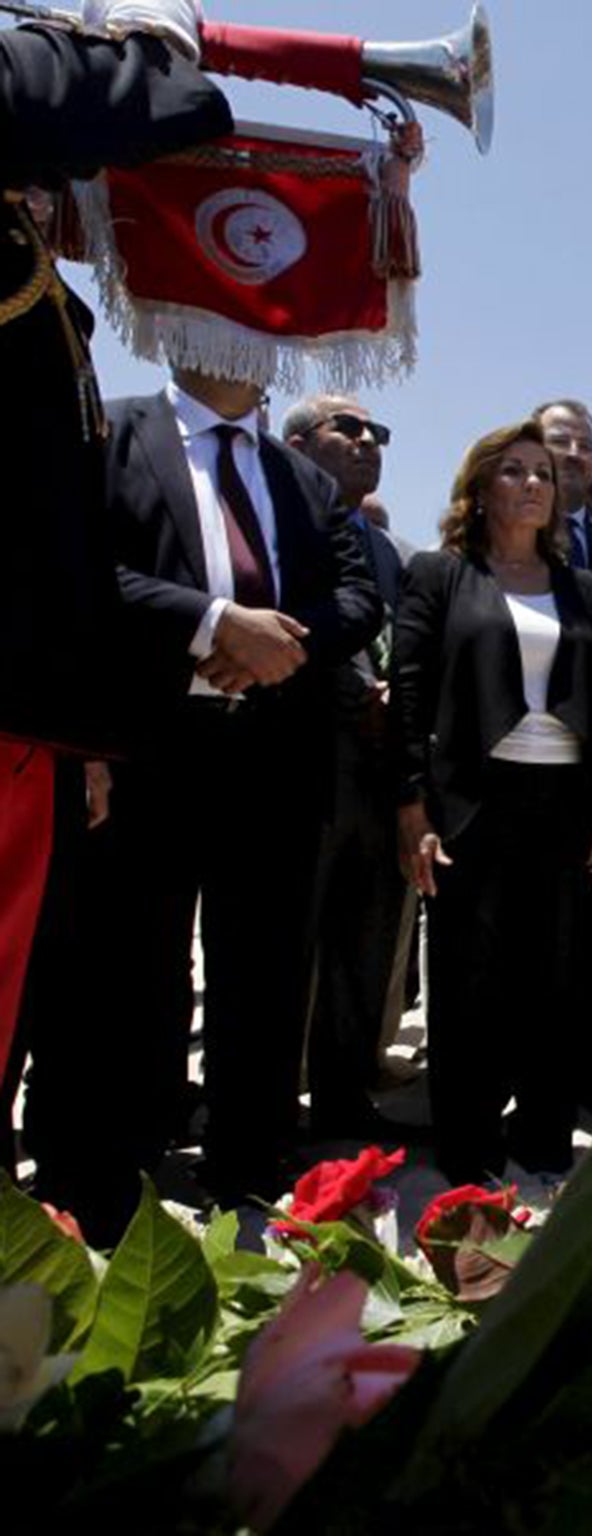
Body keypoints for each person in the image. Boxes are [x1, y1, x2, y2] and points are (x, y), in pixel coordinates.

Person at [69, 365, 382, 1212]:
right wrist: (212, 623)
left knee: (267, 975)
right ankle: (123, 1178)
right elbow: (84, 566)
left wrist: (275, 644)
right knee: (140, 972)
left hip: (276, 758)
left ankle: (248, 1168)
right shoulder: (112, 431)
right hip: (149, 751)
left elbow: (358, 596)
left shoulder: (303, 478)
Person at [0, 2, 230, 1131]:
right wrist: (146, 40)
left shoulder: (45, 296)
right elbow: (106, 102)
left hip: (25, 712)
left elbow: (56, 540)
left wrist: (76, 726)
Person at [392, 420, 592, 1185]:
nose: (533, 484)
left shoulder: (582, 586)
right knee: (469, 980)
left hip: (564, 802)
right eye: (515, 471)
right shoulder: (440, 574)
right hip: (473, 803)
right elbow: (410, 696)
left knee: (556, 978)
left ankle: (543, 1140)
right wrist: (413, 807)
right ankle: (467, 1147)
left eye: (544, 475)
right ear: (480, 487)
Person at [281, 394, 414, 1139]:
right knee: (288, 943)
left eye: (378, 434)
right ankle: (274, 1103)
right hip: (301, 761)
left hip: (377, 772)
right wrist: (358, 689)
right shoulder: (276, 522)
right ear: (298, 443)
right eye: (349, 429)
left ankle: (343, 1096)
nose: (368, 442)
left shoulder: (388, 551)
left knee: (365, 941)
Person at [536, 396, 592, 1108]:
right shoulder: (487, 546)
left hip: (591, 782)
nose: (571, 453)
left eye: (583, 444)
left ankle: (586, 1080)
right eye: (556, 440)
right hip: (512, 773)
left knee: (589, 945)